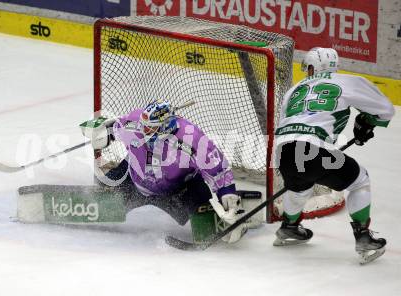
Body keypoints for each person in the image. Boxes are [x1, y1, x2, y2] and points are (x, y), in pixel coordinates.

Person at [273, 47, 395, 264]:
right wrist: (366, 121)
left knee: (300, 187)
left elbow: (289, 122)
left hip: (283, 151)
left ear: (312, 68)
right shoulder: (347, 81)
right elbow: (385, 109)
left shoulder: (294, 90)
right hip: (314, 149)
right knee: (360, 180)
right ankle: (364, 237)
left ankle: (288, 227)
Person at [81, 100, 251, 243]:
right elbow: (113, 127)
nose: (142, 130)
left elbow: (219, 171)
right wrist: (97, 131)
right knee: (101, 196)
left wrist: (229, 198)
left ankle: (220, 224)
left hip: (176, 191)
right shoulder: (135, 123)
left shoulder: (192, 138)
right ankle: (80, 207)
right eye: (143, 125)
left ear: (164, 128)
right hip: (135, 181)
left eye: (148, 128)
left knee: (199, 194)